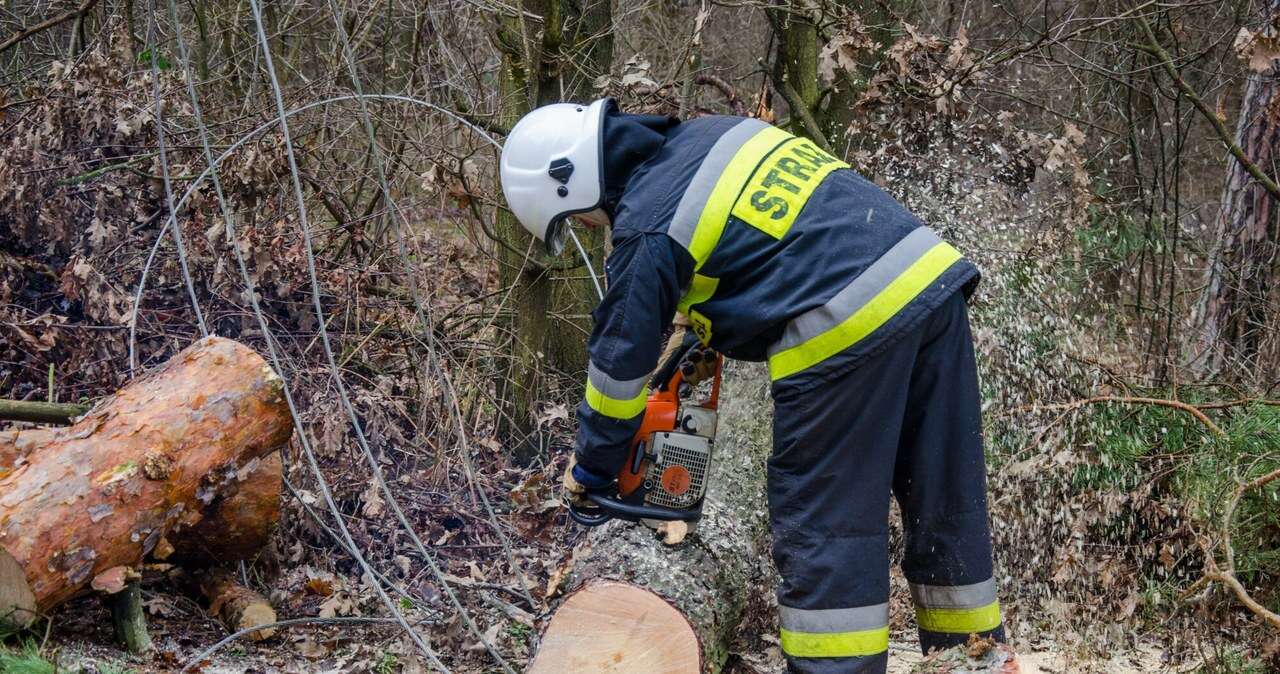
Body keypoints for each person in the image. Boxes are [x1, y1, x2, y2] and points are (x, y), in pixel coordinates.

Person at [499, 98, 1006, 673]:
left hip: (846, 321)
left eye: (580, 220)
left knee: (827, 522)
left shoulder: (647, 223)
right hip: (930, 280)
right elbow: (772, 244)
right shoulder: (711, 135)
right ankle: (975, 658)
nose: (593, 230)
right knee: (942, 493)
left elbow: (617, 369)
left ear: (571, 183)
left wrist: (593, 468)